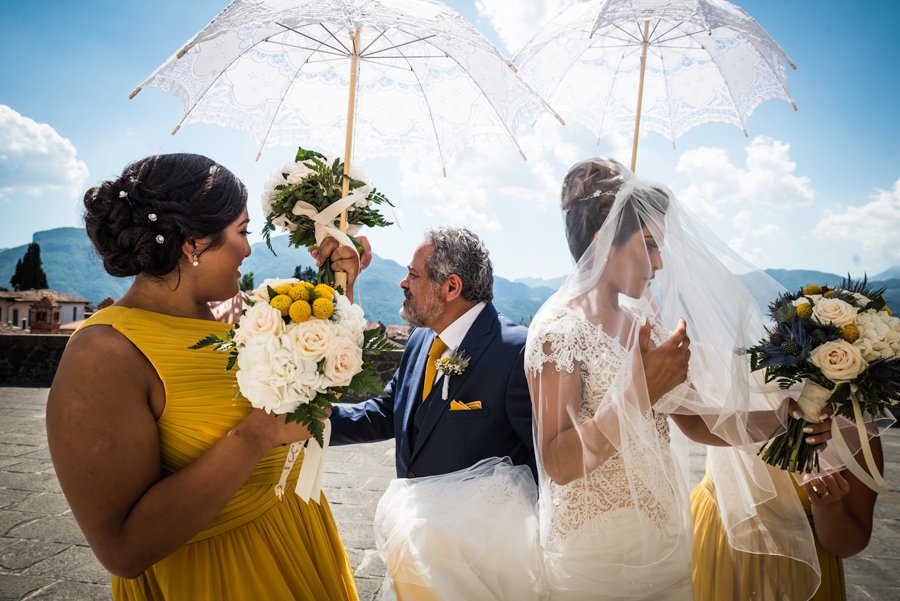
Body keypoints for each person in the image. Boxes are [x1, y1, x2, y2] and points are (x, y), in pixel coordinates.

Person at [46, 154, 358, 601]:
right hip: (217, 579)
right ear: (194, 242)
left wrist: (343, 280)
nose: (249, 249)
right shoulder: (105, 352)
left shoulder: (245, 316)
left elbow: (322, 374)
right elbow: (122, 550)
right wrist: (258, 434)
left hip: (303, 543)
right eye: (243, 231)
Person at [524, 157, 833, 600]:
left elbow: (694, 421)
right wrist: (641, 390)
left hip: (665, 537)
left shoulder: (639, 326)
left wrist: (785, 420)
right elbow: (558, 462)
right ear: (603, 241)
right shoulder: (558, 330)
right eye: (649, 245)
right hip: (597, 555)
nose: (660, 262)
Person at [317, 226, 541, 599]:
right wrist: (318, 421)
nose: (403, 282)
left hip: (480, 567)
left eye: (414, 275)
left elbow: (541, 461)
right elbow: (389, 412)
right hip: (416, 548)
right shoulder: (422, 337)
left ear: (451, 287)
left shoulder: (517, 352)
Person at [691, 430, 884, 600]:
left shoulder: (856, 431)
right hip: (718, 543)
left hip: (796, 573)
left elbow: (849, 544)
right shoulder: (733, 398)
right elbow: (687, 420)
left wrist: (829, 507)